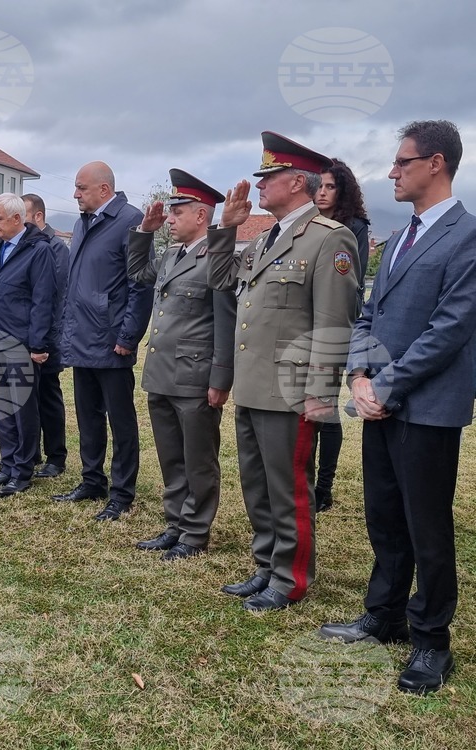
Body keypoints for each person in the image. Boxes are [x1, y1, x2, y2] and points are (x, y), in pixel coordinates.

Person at [318, 120, 476, 695]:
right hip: (379, 399)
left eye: (402, 162)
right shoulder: (398, 237)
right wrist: (359, 372)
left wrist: (386, 387)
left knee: (426, 525)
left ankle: (431, 638)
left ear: (435, 164)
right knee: (384, 515)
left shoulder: (466, 236)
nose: (391, 172)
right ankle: (382, 614)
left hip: (426, 409)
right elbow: (368, 315)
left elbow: (450, 328)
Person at [206, 132, 359, 611]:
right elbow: (221, 281)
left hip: (291, 390)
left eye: (268, 177)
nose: (260, 186)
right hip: (254, 384)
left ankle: (291, 578)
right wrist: (226, 228)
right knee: (256, 482)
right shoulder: (264, 238)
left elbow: (335, 321)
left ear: (296, 182)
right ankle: (266, 565)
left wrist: (320, 392)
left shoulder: (329, 238)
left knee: (288, 486)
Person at [128, 170, 236, 560]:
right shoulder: (173, 255)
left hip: (195, 377)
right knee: (171, 455)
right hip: (161, 373)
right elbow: (138, 274)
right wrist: (143, 231)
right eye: (170, 213)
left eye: (178, 212)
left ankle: (195, 532)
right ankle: (175, 523)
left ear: (201, 216)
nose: (170, 219)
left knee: (198, 459)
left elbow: (226, 322)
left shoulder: (219, 259)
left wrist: (221, 377)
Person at [51, 162, 152, 521]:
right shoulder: (82, 223)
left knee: (121, 421)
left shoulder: (130, 221)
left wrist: (128, 335)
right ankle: (92, 480)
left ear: (104, 190)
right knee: (88, 417)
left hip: (111, 341)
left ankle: (122, 493)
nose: (75, 194)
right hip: (82, 339)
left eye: (81, 188)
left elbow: (140, 285)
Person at [0, 193, 56, 496]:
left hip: (21, 346)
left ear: (18, 219)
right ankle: (7, 466)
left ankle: (22, 470)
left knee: (23, 411)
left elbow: (43, 301)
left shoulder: (39, 251)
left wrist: (37, 344)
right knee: (3, 409)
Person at [311, 159, 371, 512]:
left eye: (330, 186)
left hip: (338, 323)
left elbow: (352, 279)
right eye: (318, 185)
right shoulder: (306, 223)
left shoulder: (355, 227)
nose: (322, 192)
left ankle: (324, 486)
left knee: (327, 409)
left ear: (343, 190)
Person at [22, 193, 69, 479]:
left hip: (48, 336)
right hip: (27, 334)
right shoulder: (26, 246)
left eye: (24, 217)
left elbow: (54, 296)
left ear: (38, 217)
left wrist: (46, 338)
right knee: (29, 396)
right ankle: (32, 451)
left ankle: (56, 456)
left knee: (48, 396)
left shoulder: (55, 248)